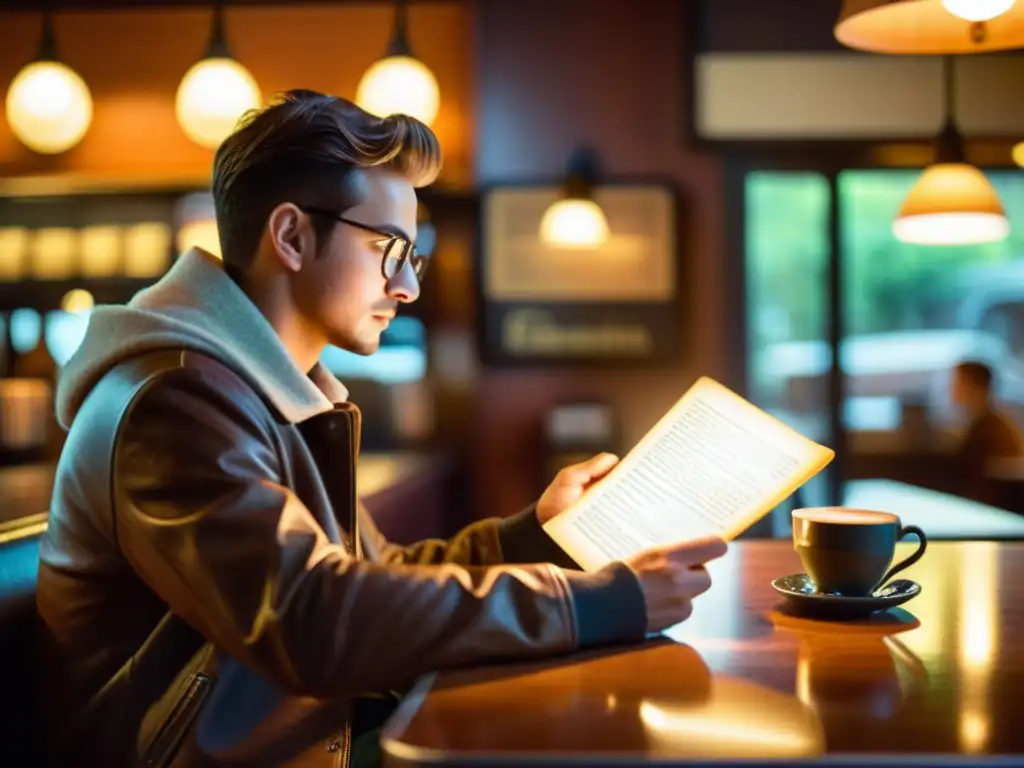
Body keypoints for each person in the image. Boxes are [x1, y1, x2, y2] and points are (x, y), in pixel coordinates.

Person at [34, 90, 728, 768]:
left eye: (411, 259)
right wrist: (596, 604)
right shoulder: (177, 400)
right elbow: (310, 616)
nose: (408, 288)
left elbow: (370, 577)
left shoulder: (260, 389)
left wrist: (539, 535)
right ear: (292, 236)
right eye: (390, 250)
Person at [949, 359, 1024, 503]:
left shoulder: (990, 428)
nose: (952, 388)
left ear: (974, 386)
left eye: (958, 382)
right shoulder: (984, 422)